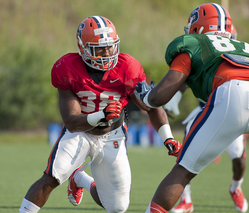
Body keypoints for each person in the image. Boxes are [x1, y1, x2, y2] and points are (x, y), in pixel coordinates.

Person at [134, 3, 249, 213]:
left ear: (197, 28)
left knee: (183, 170)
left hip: (231, 94)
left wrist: (147, 97)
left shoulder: (193, 43)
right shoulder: (247, 48)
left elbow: (160, 96)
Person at [19, 16, 181, 213]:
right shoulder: (67, 68)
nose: (107, 53)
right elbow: (71, 121)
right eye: (100, 49)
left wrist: (168, 138)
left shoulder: (127, 67)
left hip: (113, 135)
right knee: (51, 178)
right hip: (80, 133)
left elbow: (151, 105)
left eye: (110, 46)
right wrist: (101, 114)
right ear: (83, 48)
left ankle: (79, 178)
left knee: (117, 207)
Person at [165, 25, 248, 213]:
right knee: (184, 154)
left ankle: (236, 187)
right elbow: (186, 75)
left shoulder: (235, 57)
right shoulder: (201, 54)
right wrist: (175, 98)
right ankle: (186, 200)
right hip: (206, 110)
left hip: (232, 112)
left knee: (238, 159)